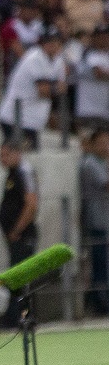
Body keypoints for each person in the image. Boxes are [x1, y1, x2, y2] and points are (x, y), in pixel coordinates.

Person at [0, 137, 39, 328]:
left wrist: (17, 229)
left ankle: (21, 318)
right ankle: (14, 317)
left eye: (6, 154)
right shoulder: (13, 174)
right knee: (15, 276)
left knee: (21, 278)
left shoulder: (24, 172)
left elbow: (31, 204)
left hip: (23, 235)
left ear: (16, 153)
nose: (2, 159)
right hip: (15, 235)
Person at [80, 127, 109, 316]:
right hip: (96, 221)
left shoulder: (101, 162)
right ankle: (99, 303)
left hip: (104, 220)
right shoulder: (90, 163)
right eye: (103, 142)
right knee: (99, 263)